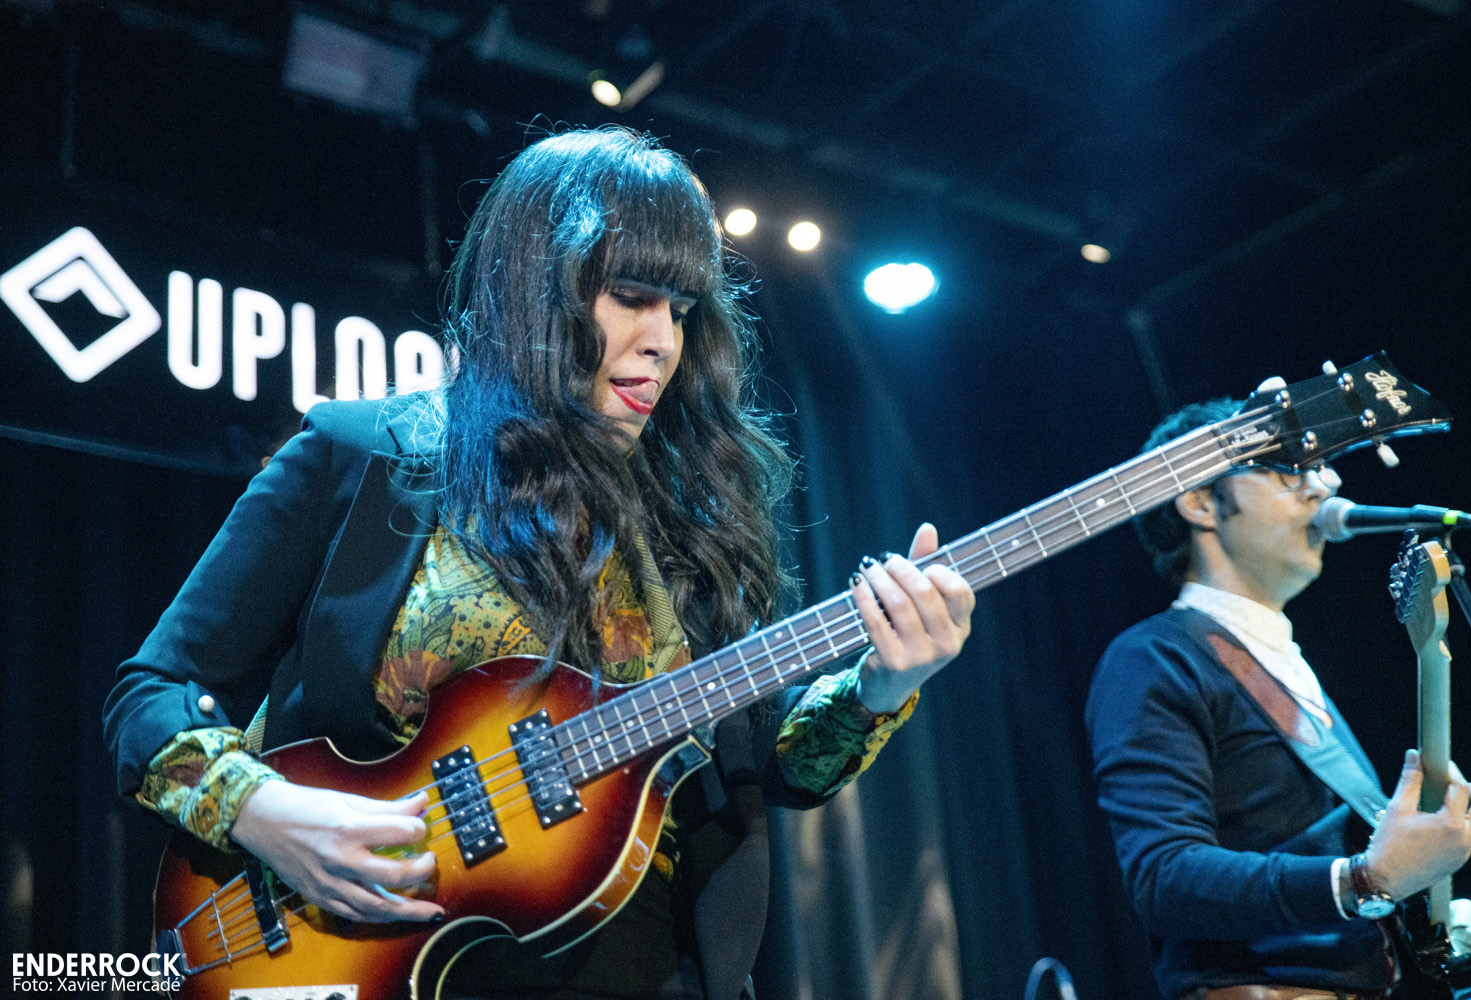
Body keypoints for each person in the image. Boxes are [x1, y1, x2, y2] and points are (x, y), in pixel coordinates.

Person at [103, 127, 975, 1000]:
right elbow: (149, 695)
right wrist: (265, 812)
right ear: (534, 286)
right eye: (632, 297)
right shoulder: (362, 455)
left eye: (680, 310)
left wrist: (883, 685)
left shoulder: (688, 520)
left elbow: (764, 765)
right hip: (372, 958)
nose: (663, 340)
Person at [1086, 397, 1471, 1000]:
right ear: (1200, 501)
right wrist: (1366, 878)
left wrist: (1421, 921)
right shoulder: (1152, 658)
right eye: (1285, 469)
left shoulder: (1280, 659)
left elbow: (1327, 871)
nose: (1325, 484)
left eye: (1320, 467)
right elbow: (1163, 877)